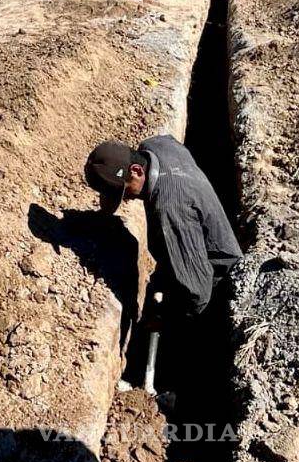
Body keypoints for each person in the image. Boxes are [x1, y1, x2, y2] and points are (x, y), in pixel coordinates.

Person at [84, 134, 242, 322]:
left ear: (136, 171)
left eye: (123, 191)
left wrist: (165, 316)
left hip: (221, 277)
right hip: (193, 238)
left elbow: (197, 294)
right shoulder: (157, 146)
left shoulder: (170, 208)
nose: (125, 198)